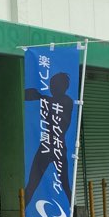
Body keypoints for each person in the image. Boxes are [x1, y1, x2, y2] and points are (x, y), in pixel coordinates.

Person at [24, 71, 74, 208]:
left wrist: (39, 96)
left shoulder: (67, 101)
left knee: (65, 184)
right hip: (46, 145)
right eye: (51, 85)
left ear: (63, 87)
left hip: (58, 146)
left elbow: (53, 102)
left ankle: (72, 215)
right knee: (32, 183)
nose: (52, 88)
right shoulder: (48, 100)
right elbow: (29, 96)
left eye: (55, 85)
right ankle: (23, 214)